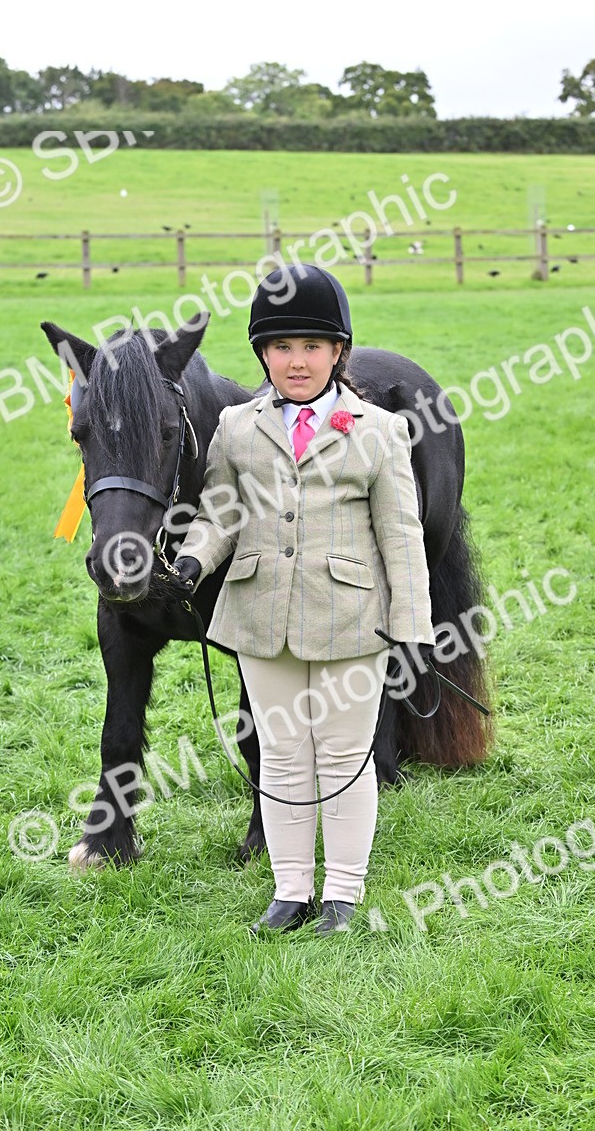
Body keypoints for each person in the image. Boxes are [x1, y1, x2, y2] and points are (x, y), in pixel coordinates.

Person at [174, 265, 434, 937]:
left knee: (345, 760)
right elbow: (220, 516)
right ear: (263, 353)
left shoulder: (377, 429)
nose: (297, 361)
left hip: (352, 617)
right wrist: (191, 561)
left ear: (338, 352)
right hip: (261, 613)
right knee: (283, 755)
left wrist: (412, 625)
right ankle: (290, 891)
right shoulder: (235, 426)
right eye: (282, 347)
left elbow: (400, 533)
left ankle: (343, 895)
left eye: (312, 347)